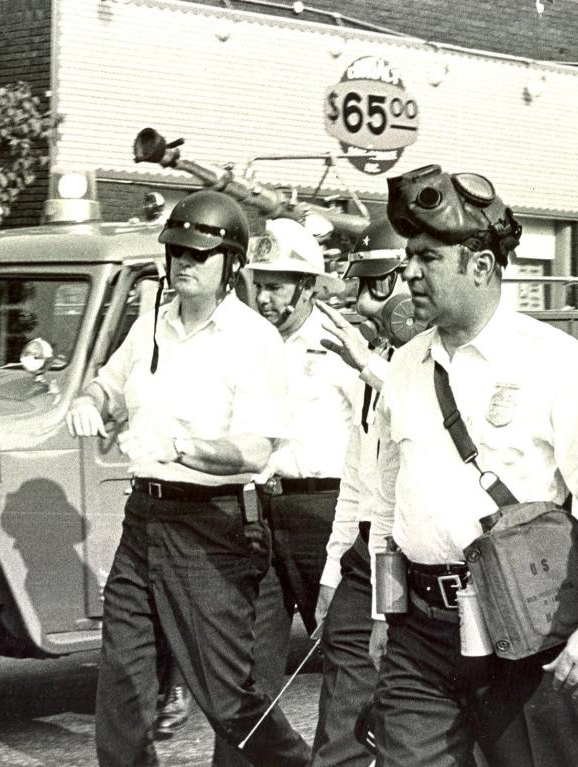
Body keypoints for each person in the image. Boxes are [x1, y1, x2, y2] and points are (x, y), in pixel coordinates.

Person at [366, 164, 578, 766]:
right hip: (421, 632)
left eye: (427, 258)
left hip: (525, 628)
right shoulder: (405, 366)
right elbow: (387, 499)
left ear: (481, 266)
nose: (407, 272)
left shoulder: (554, 360)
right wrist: (384, 610)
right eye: (408, 256)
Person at [66, 190, 311, 767]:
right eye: (176, 251)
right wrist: (90, 400)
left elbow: (255, 450)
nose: (184, 263)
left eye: (199, 254)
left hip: (212, 530)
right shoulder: (151, 323)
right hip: (143, 525)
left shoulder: (254, 341)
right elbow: (109, 382)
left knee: (228, 700)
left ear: (231, 264)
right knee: (123, 693)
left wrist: (183, 448)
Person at [211, 217, 359, 767]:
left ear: (308, 285)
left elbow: (377, 432)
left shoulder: (338, 342)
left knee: (346, 668)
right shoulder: (247, 344)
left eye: (277, 284)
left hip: (327, 514)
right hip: (260, 517)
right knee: (244, 673)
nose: (264, 296)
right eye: (258, 282)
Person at [309, 218, 422, 767]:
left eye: (378, 284)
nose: (364, 301)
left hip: (423, 560)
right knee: (340, 730)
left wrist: (371, 367)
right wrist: (333, 569)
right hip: (368, 555)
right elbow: (354, 481)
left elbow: (420, 416)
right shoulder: (371, 366)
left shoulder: (427, 360)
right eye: (361, 285)